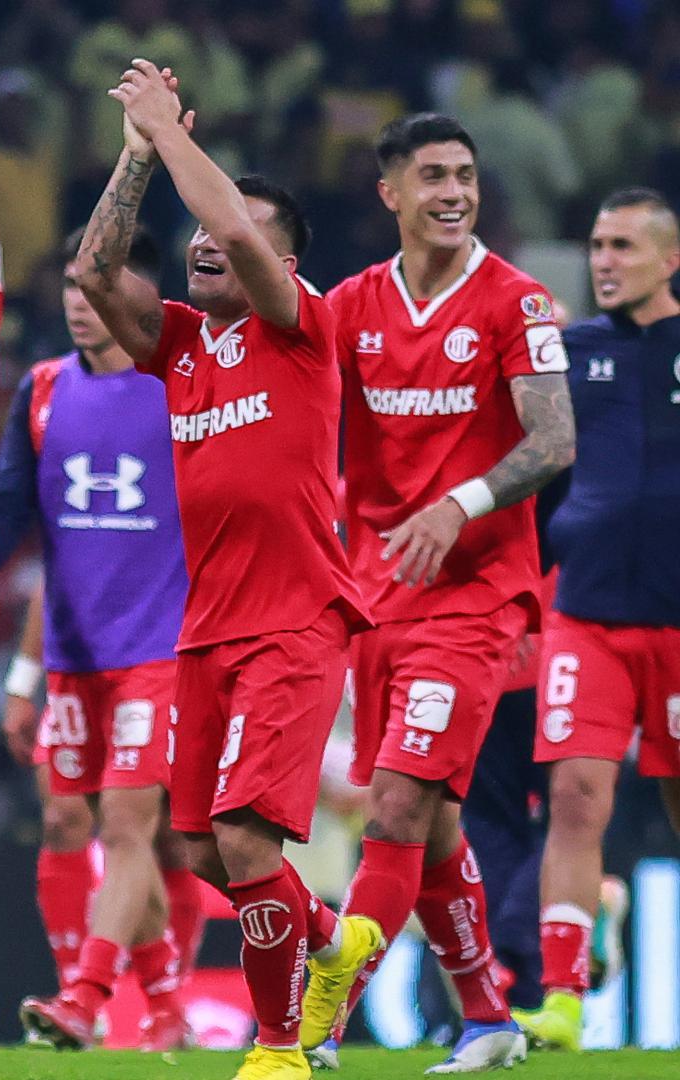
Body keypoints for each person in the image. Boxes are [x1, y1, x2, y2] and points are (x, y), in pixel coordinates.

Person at [68, 61, 372, 1080]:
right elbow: (96, 275)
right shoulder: (186, 346)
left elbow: (238, 232)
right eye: (203, 221)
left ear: (287, 260)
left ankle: (281, 1052)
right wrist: (136, 154)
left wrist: (173, 131)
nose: (208, 236)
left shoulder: (304, 328)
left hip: (297, 619)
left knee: (245, 846)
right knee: (198, 852)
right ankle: (335, 942)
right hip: (205, 627)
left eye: (235, 224)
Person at [311, 112, 575, 1073]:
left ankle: (313, 1027)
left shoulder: (520, 302)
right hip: (381, 599)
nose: (454, 191)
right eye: (432, 176)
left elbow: (552, 442)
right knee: (433, 831)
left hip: (477, 600)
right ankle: (489, 1017)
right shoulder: (351, 305)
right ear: (390, 193)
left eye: (464, 174)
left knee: (391, 815)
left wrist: (456, 506)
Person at [0, 226, 204, 1052]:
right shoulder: (41, 392)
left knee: (129, 825)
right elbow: (24, 534)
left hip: (161, 651)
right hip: (74, 658)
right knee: (68, 826)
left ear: (139, 295)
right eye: (71, 286)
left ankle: (83, 996)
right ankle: (168, 1009)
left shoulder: (180, 391)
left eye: (96, 285)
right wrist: (22, 675)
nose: (79, 302)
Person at [517, 187, 680, 1051]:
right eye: (596, 246)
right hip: (586, 616)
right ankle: (564, 999)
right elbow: (536, 480)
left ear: (670, 257)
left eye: (622, 245)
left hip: (679, 625)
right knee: (576, 795)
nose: (604, 261)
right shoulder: (571, 354)